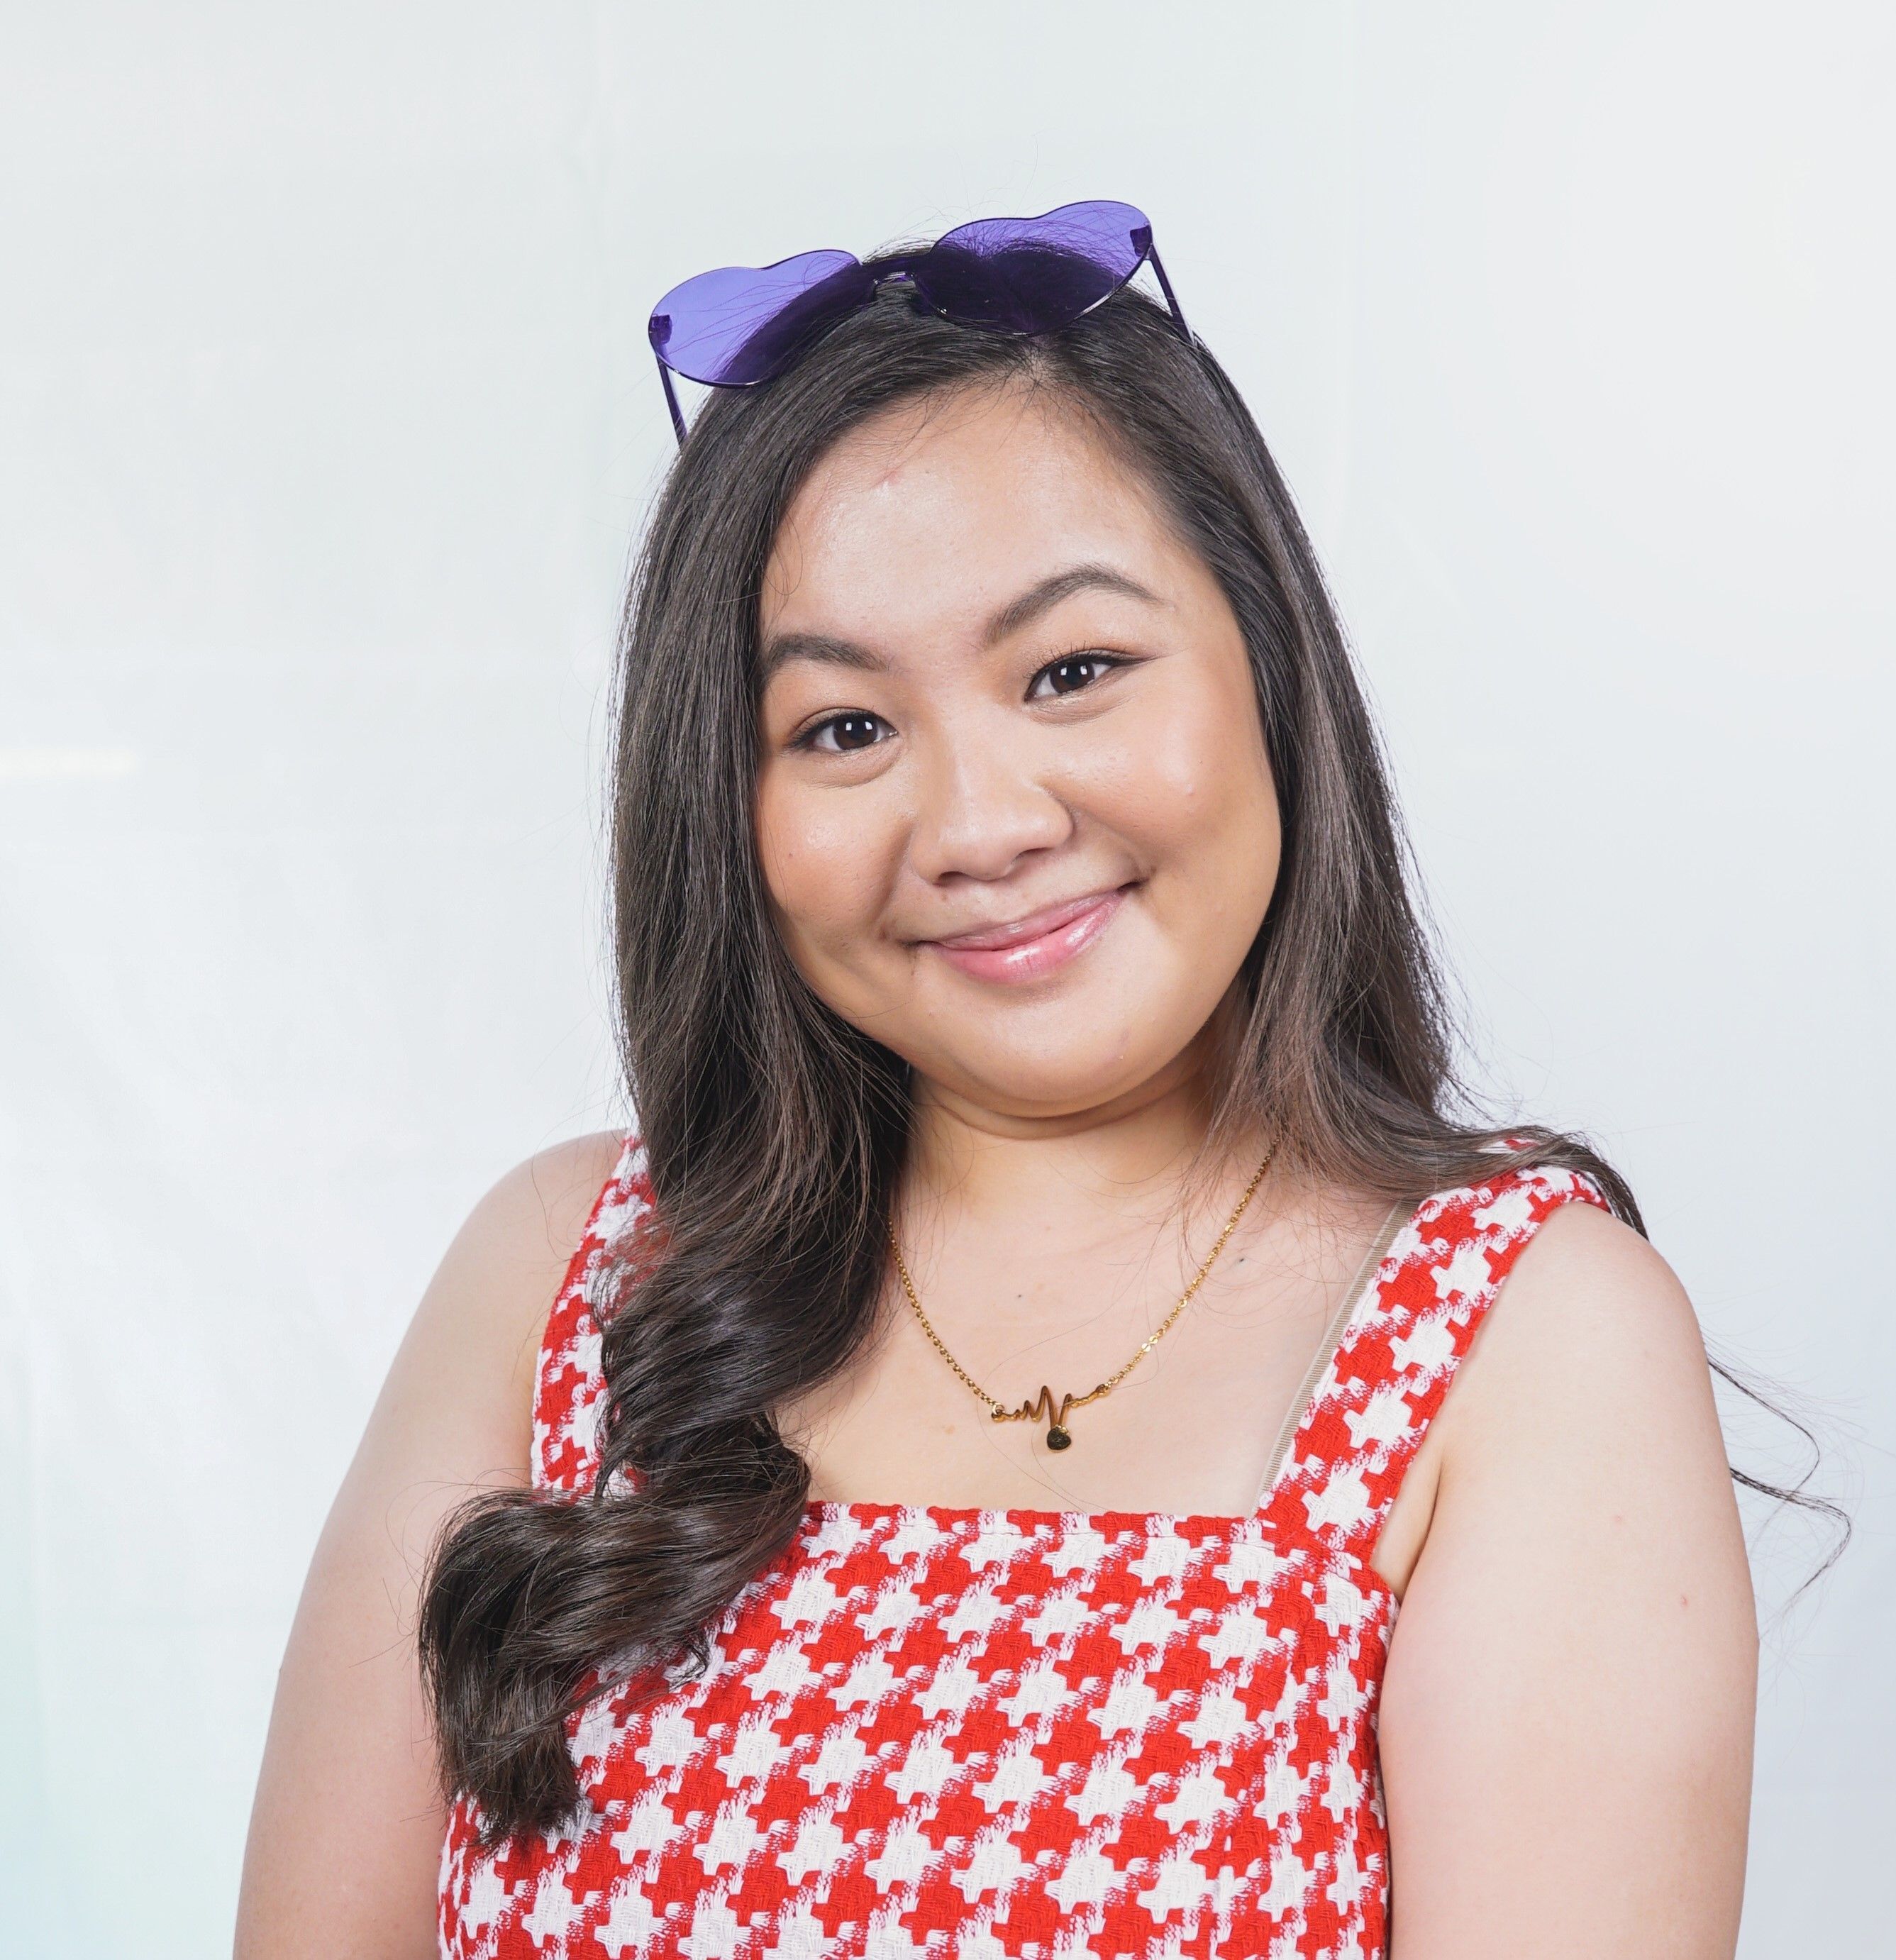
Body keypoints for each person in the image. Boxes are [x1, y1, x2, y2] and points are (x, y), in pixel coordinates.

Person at [235, 204, 1758, 1959]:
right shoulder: (565, 1271)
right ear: (728, 811)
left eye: (1074, 670)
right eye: (842, 728)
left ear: (1268, 667)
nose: (981, 825)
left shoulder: (1517, 1329)